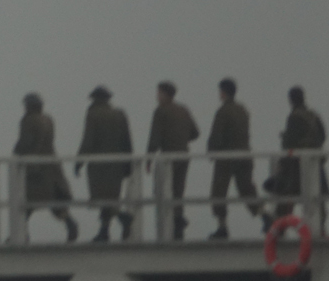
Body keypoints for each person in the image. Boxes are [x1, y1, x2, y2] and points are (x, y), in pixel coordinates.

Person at [15, 93, 79, 241]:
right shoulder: (48, 119)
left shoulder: (29, 120)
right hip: (52, 166)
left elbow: (25, 142)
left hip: (35, 167)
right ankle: (69, 223)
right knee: (53, 199)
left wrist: (16, 155)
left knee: (26, 201)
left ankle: (21, 233)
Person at [75, 87, 135, 242]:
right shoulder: (119, 114)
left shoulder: (93, 115)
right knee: (111, 197)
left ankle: (122, 218)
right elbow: (127, 141)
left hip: (99, 166)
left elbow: (88, 140)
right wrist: (128, 164)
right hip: (117, 165)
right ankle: (104, 230)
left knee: (102, 198)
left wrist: (79, 161)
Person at [206, 78, 263, 239]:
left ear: (223, 92)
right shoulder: (242, 110)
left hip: (226, 158)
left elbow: (217, 135)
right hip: (245, 156)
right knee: (247, 190)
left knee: (218, 192)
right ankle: (265, 216)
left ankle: (222, 227)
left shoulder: (223, 111)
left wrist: (211, 151)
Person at [144, 81, 201, 238]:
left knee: (163, 190)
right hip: (184, 155)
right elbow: (195, 133)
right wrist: (181, 137)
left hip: (168, 157)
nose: (156, 96)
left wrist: (148, 159)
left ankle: (171, 224)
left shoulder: (161, 111)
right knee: (178, 190)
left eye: (158, 93)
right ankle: (178, 220)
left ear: (164, 94)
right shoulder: (183, 110)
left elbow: (154, 138)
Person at [270, 86, 329, 224]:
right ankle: (320, 227)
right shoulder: (313, 115)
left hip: (297, 164)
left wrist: (282, 164)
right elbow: (323, 136)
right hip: (315, 161)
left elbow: (289, 144)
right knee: (316, 196)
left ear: (291, 100)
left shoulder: (294, 117)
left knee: (286, 194)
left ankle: (279, 227)